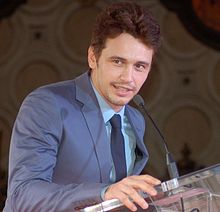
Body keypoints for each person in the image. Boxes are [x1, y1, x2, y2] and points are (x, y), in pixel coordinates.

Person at [4, 2, 162, 211]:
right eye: (117, 62)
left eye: (140, 66)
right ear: (92, 57)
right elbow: (22, 194)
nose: (128, 78)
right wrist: (104, 193)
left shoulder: (136, 120)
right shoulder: (46, 104)